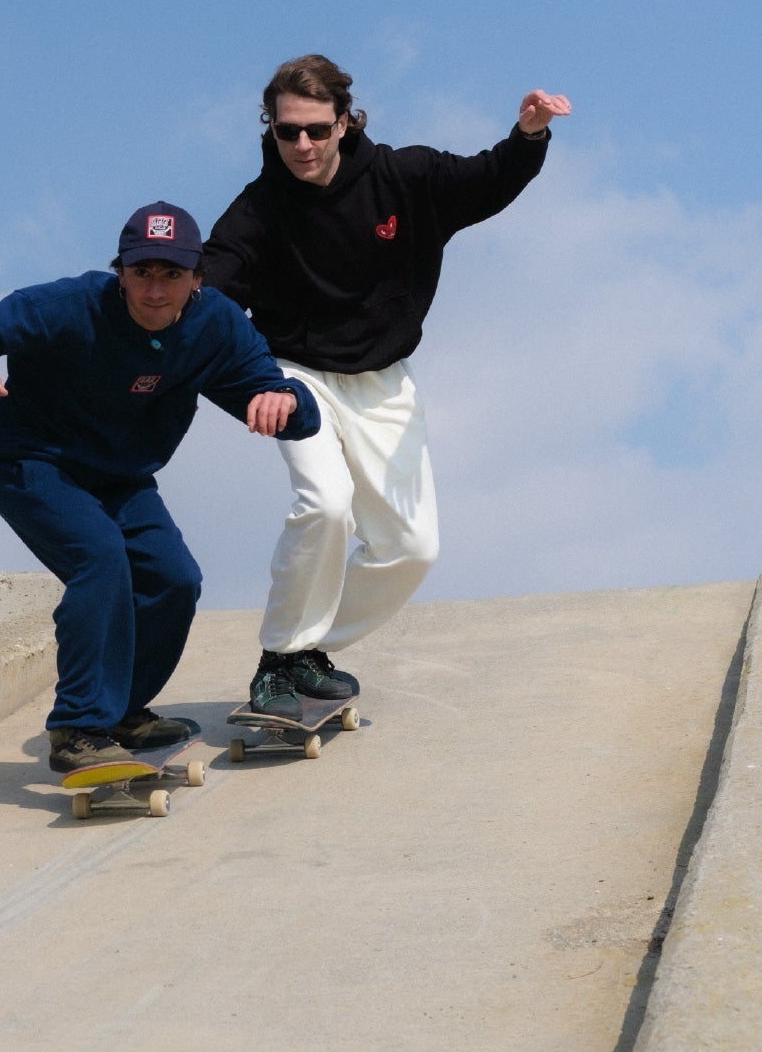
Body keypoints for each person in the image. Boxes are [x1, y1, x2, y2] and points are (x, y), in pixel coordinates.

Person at [200, 54, 571, 721]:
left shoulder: (405, 177)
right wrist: (233, 371)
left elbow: (487, 178)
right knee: (325, 504)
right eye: (287, 133)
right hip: (294, 375)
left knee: (411, 548)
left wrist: (529, 134)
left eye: (316, 129)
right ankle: (277, 655)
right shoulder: (257, 211)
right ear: (271, 130)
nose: (302, 146)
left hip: (381, 380)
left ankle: (303, 653)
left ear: (344, 121)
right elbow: (209, 299)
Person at [0, 202, 321, 773]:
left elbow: (279, 395)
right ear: (121, 273)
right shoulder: (70, 305)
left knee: (173, 579)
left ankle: (119, 711)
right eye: (142, 273)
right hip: (31, 462)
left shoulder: (216, 325)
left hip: (121, 478)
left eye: (171, 275)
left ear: (197, 279)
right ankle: (79, 728)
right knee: (101, 560)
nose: (155, 291)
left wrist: (286, 401)